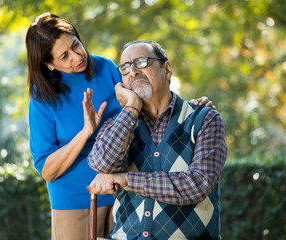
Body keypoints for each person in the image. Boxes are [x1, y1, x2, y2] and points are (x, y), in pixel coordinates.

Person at [26, 13, 215, 240]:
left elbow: (147, 95)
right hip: (74, 201)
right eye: (64, 56)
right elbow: (47, 170)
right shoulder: (42, 98)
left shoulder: (106, 68)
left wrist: (187, 108)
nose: (77, 57)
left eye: (76, 45)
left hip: (125, 192)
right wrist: (86, 131)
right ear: (49, 64)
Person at [87, 40, 227, 239]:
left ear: (167, 69)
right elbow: (102, 164)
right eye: (125, 69)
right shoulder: (119, 125)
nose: (133, 72)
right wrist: (131, 107)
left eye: (141, 62)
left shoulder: (204, 119)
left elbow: (197, 184)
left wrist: (127, 180)